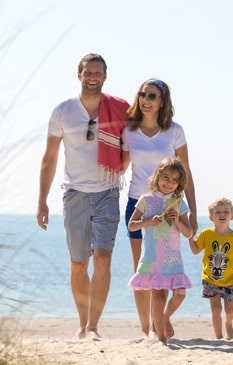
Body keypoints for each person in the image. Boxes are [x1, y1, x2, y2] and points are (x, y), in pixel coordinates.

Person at [36, 53, 129, 339]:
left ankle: (93, 327)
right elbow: (50, 158)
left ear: (105, 76)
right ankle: (81, 322)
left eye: (98, 72)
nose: (93, 77)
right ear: (79, 75)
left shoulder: (120, 109)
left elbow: (139, 140)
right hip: (74, 194)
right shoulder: (63, 111)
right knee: (79, 263)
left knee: (103, 258)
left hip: (108, 191)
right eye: (88, 72)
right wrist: (42, 200)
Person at [121, 78, 197, 337]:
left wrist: (193, 212)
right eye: (142, 94)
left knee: (164, 268)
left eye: (152, 96)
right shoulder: (129, 130)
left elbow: (186, 173)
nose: (146, 99)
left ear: (163, 101)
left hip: (170, 206)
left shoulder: (175, 131)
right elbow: (119, 165)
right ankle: (147, 330)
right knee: (142, 269)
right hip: (138, 203)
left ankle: (160, 321)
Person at [128, 157, 193, 345]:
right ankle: (162, 339)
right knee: (157, 296)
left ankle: (164, 318)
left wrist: (178, 221)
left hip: (173, 258)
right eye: (166, 177)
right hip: (152, 256)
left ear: (179, 184)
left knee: (180, 293)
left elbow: (188, 233)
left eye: (174, 180)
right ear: (157, 177)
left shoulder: (179, 203)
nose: (169, 183)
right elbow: (131, 226)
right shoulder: (145, 200)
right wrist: (149, 220)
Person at [188, 198, 233, 340]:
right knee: (216, 309)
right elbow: (196, 250)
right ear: (211, 217)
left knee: (230, 310)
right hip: (210, 280)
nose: (222, 214)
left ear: (232, 216)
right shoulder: (206, 234)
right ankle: (219, 338)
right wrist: (190, 237)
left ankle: (228, 324)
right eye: (218, 212)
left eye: (226, 211)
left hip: (231, 280)